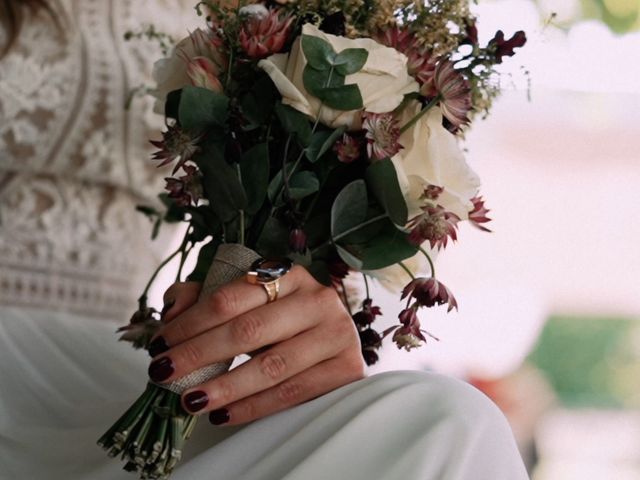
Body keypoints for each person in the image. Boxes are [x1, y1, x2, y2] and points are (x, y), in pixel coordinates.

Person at [0, 1, 529, 479]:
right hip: (15, 355)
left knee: (446, 423)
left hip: (136, 364)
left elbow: (288, 196)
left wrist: (294, 318)